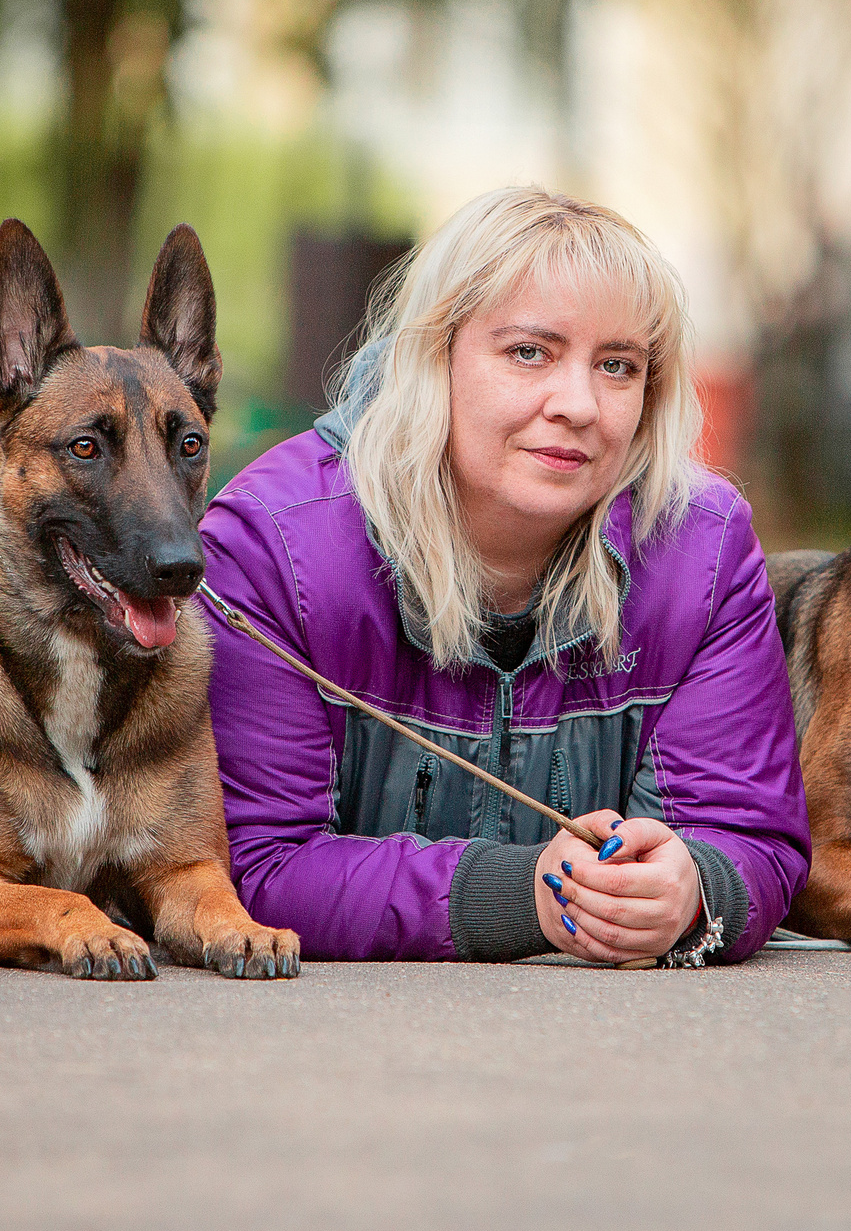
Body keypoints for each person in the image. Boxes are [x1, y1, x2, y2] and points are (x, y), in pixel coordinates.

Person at [198, 187, 809, 965]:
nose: (579, 404)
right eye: (530, 352)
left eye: (617, 366)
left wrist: (695, 890)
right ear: (435, 353)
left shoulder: (703, 551)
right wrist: (524, 895)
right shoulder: (274, 547)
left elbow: (750, 833)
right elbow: (255, 867)